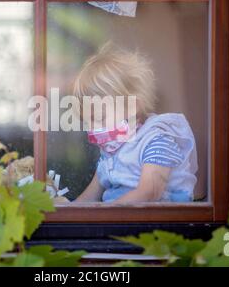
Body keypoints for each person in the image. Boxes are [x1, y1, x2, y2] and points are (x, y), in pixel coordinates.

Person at [73, 43, 198, 203]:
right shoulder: (110, 151)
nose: (91, 128)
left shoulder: (157, 141)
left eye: (99, 118)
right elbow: (88, 198)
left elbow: (150, 192)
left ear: (132, 107)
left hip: (154, 223)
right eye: (87, 121)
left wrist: (106, 214)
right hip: (117, 221)